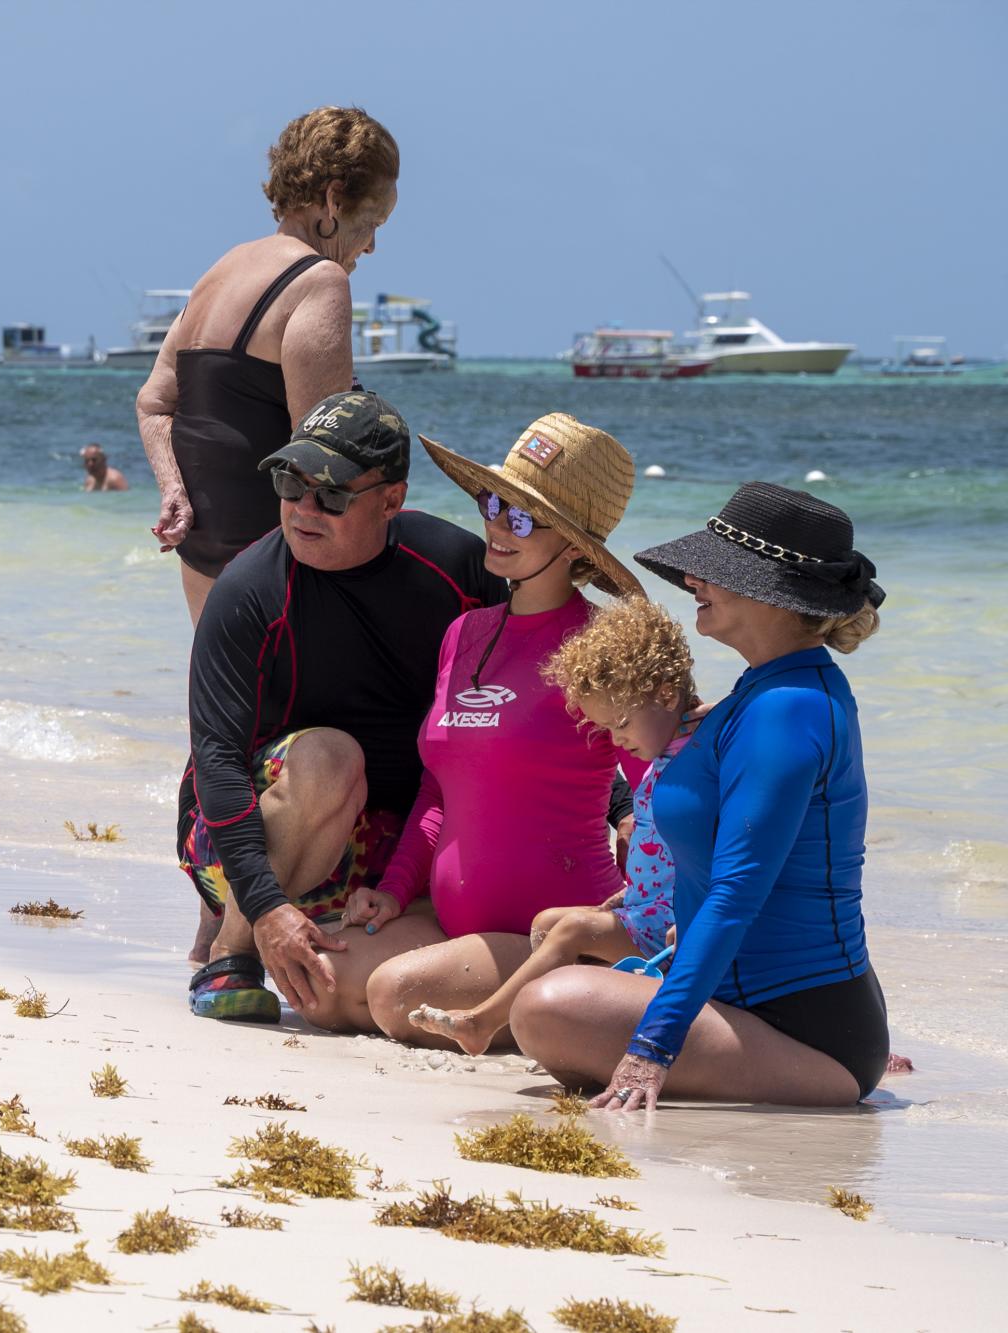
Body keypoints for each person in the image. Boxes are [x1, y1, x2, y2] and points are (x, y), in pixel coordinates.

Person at [510, 482, 891, 1108]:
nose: (692, 580)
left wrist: (650, 1050)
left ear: (775, 595)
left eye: (715, 570)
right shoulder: (758, 694)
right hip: (745, 1000)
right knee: (555, 1003)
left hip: (806, 1031)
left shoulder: (787, 711)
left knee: (548, 1008)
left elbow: (738, 893)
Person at [179, 390, 503, 1022]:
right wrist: (267, 909)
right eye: (288, 482)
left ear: (392, 500)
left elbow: (549, 678)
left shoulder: (455, 568)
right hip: (235, 846)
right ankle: (232, 947)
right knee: (331, 757)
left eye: (330, 495)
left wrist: (627, 804)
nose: (303, 509)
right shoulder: (248, 592)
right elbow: (215, 763)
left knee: (338, 997)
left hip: (397, 853)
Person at [333, 415, 646, 1042]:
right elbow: (438, 791)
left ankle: (592, 997)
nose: (498, 526)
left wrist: (650, 896)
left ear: (578, 548)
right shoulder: (465, 633)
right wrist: (393, 892)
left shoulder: (605, 644)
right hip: (456, 923)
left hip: (550, 933)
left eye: (524, 517)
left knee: (393, 998)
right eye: (494, 502)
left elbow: (664, 785)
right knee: (320, 983)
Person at [137, 106, 399, 627]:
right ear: (333, 198)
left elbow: (153, 403)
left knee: (225, 703)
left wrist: (175, 492)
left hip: (203, 550)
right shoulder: (319, 280)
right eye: (373, 221)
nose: (371, 244)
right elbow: (322, 453)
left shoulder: (221, 271)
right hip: (273, 564)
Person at [408, 595, 696, 1055]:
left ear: (664, 695)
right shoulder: (659, 755)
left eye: (619, 725)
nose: (616, 740)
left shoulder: (699, 760)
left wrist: (694, 911)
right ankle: (563, 1012)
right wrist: (636, 888)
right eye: (606, 729)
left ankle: (483, 1021)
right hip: (646, 910)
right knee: (549, 923)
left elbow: (724, 848)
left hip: (673, 926)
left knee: (569, 931)